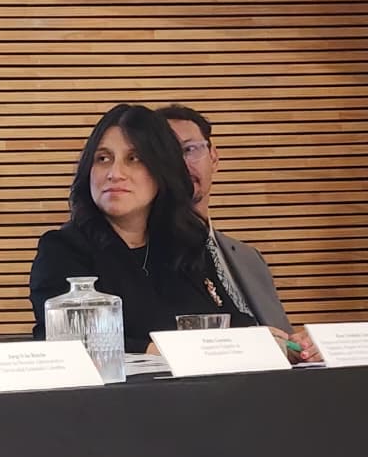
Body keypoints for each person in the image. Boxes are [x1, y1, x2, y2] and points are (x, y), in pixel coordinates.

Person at [29, 103, 298, 355]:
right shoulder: (63, 249)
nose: (114, 173)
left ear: (162, 169)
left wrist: (276, 342)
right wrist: (188, 350)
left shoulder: (185, 245)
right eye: (103, 158)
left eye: (134, 158)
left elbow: (230, 322)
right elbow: (79, 342)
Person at [157, 103, 317, 360]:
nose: (181, 164)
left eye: (189, 150)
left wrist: (304, 348)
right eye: (168, 154)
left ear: (214, 157)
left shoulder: (249, 258)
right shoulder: (148, 256)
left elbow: (283, 340)